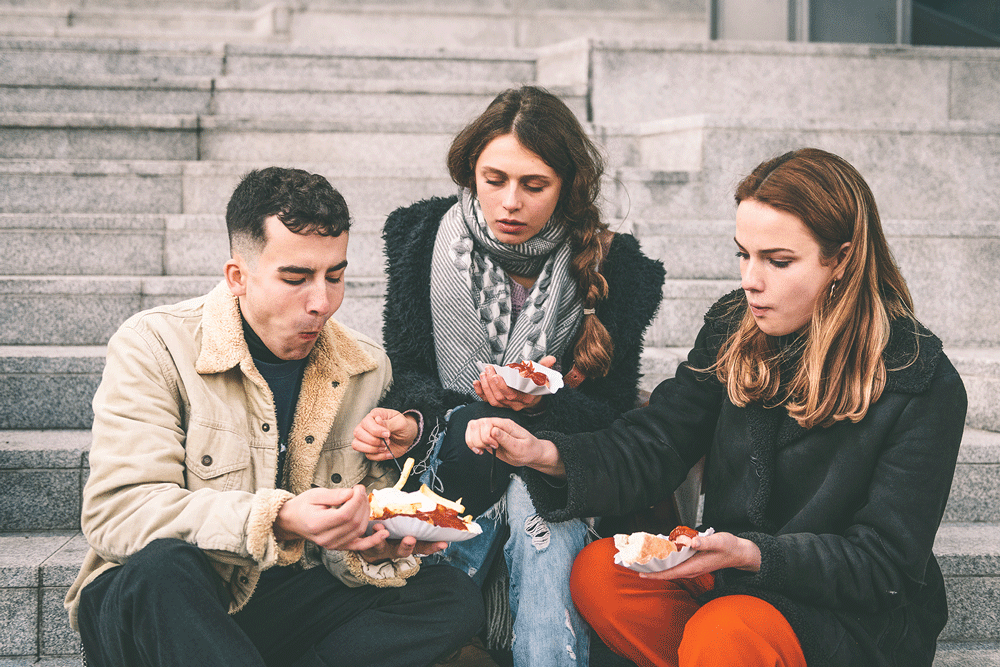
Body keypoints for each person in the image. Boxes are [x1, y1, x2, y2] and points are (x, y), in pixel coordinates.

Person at [465, 148, 967, 667]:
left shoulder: (920, 380)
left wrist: (753, 554)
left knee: (725, 630)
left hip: (850, 617)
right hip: (733, 581)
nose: (751, 279)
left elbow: (882, 565)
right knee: (600, 571)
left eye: (778, 261)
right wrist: (545, 453)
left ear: (841, 258)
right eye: (743, 254)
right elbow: (657, 441)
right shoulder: (734, 327)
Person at [64, 167, 484, 667]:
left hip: (281, 603)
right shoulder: (155, 345)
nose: (322, 302)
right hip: (173, 604)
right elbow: (120, 511)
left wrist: (366, 548)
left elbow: (350, 537)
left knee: (448, 595)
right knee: (164, 567)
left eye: (336, 275)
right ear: (237, 277)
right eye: (296, 278)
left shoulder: (366, 366)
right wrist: (278, 519)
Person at [351, 86, 665, 666]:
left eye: (533, 185)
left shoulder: (620, 267)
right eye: (494, 180)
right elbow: (412, 370)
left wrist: (537, 409)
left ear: (567, 185)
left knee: (536, 500)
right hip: (447, 461)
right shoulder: (420, 238)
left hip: (558, 467)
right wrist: (412, 420)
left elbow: (613, 409)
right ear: (472, 173)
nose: (510, 202)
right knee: (518, 481)